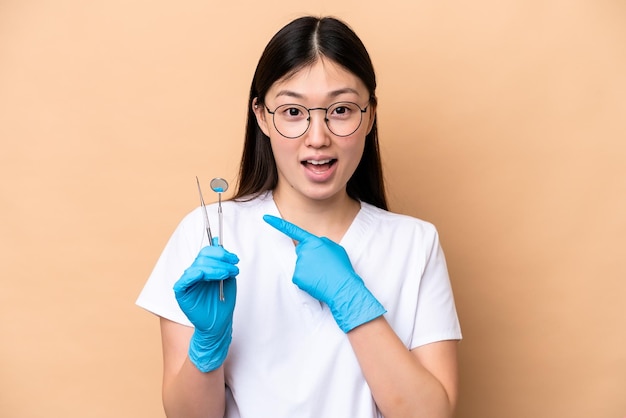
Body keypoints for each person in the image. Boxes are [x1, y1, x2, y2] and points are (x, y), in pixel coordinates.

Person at [136, 15, 462, 418]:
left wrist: (354, 302)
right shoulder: (207, 237)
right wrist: (208, 344)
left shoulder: (415, 244)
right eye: (293, 111)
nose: (317, 136)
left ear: (370, 114)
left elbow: (431, 414)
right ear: (261, 116)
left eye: (340, 109)